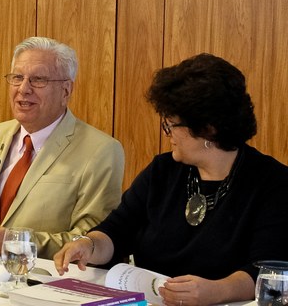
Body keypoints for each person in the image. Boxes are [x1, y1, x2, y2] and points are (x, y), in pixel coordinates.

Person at [53, 53, 288, 306]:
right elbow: (116, 231)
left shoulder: (273, 183)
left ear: (208, 129)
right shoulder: (162, 170)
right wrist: (88, 245)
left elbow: (268, 270)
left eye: (171, 125)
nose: (167, 134)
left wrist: (215, 291)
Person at [0, 36, 125, 259]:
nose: (23, 89)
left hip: (44, 274)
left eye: (38, 80)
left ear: (66, 90)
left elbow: (90, 239)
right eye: (17, 77)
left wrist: (17, 242)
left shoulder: (101, 150)